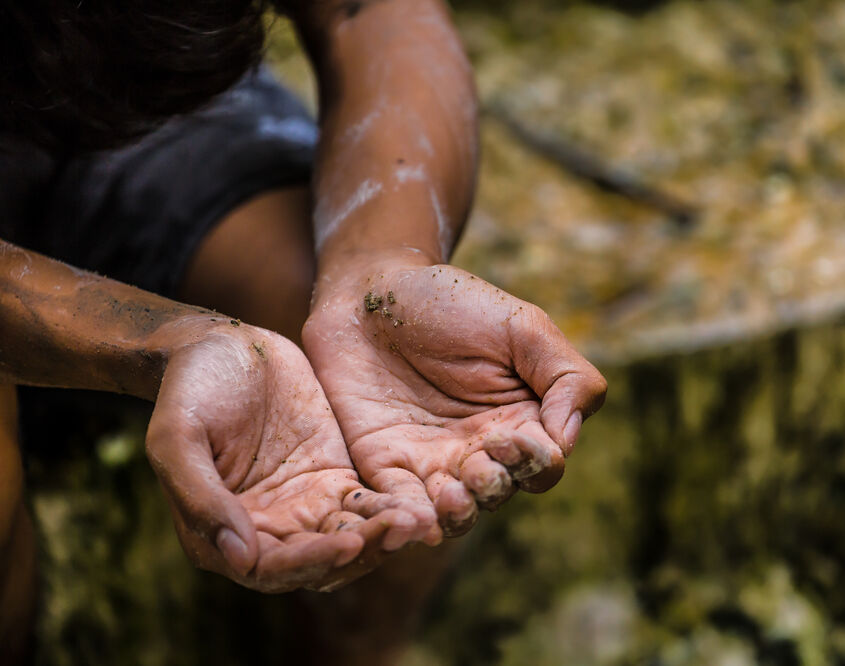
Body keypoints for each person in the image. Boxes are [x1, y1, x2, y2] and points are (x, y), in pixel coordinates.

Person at [0, 0, 607, 662]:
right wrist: (152, 345)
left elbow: (374, 14)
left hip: (145, 120)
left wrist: (379, 263)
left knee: (348, 387)